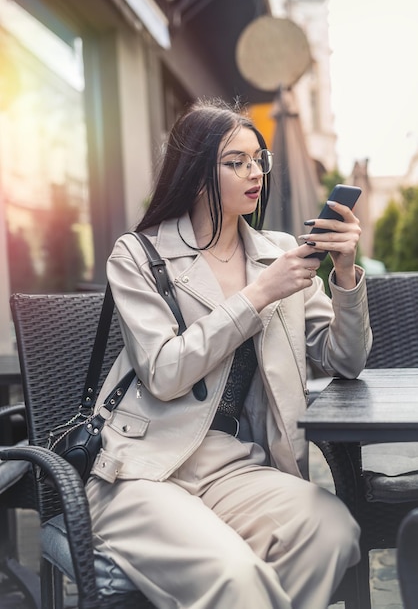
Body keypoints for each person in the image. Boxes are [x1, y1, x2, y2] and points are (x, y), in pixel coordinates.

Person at [86, 97, 372, 609]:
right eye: (234, 161)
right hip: (143, 469)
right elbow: (164, 372)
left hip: (234, 467)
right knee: (236, 578)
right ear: (197, 174)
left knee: (332, 531)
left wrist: (345, 273)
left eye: (257, 160)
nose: (253, 172)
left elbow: (345, 359)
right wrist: (259, 294)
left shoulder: (278, 252)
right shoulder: (138, 255)